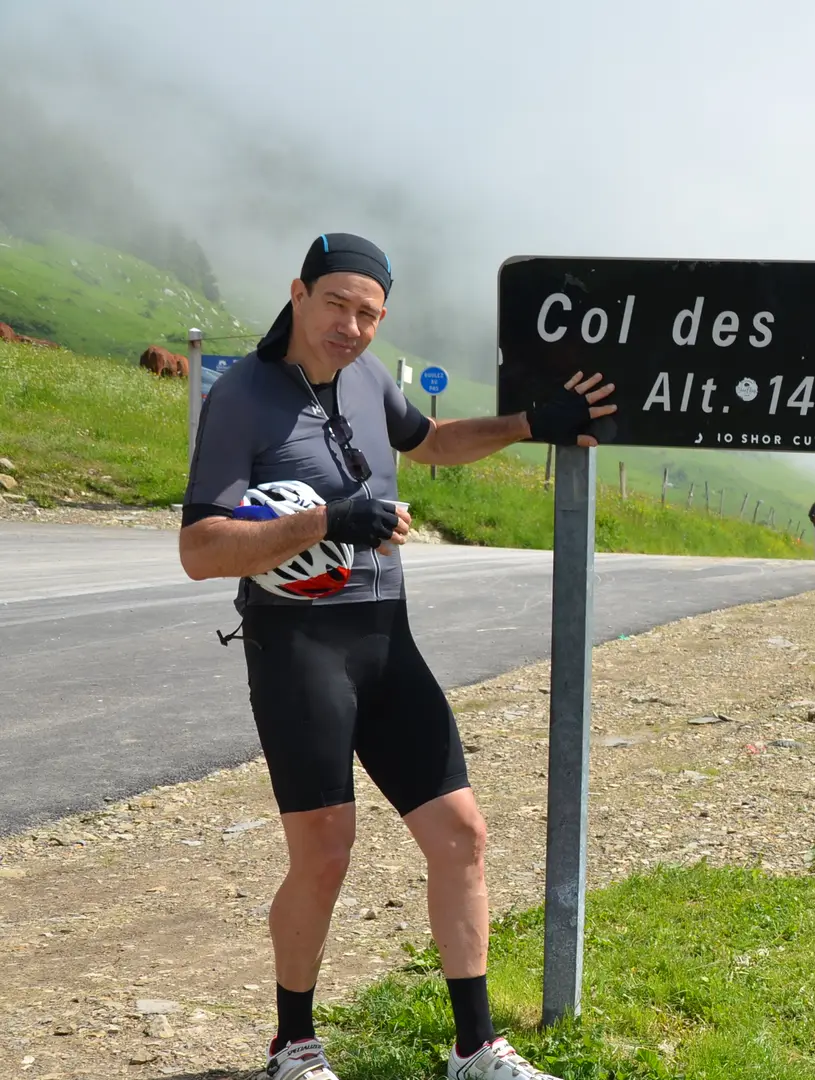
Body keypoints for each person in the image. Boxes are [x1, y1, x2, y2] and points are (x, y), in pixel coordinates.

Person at [178, 233, 616, 1080]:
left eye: (368, 313)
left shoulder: (370, 379)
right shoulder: (243, 397)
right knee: (326, 853)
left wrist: (534, 424)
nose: (350, 325)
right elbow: (200, 547)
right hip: (297, 646)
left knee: (461, 834)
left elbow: (432, 443)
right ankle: (293, 1047)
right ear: (298, 293)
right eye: (336, 304)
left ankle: (474, 1048)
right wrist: (323, 523)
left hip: (386, 637)